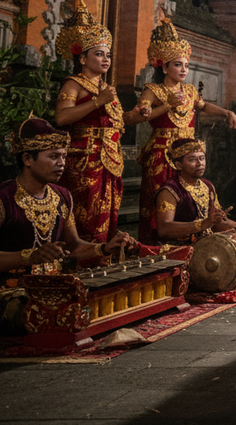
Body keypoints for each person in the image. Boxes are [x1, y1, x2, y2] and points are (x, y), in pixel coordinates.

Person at [1, 117, 135, 333]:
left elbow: (73, 246)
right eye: (53, 157)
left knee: (113, 299)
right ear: (27, 158)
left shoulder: (62, 196)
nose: (62, 163)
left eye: (64, 156)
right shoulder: (4, 199)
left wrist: (104, 248)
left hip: (55, 285)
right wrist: (29, 256)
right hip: (11, 289)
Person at [137, 19, 236, 243]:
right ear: (164, 67)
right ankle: (153, 244)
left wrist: (226, 113)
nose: (184, 70)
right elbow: (141, 114)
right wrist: (167, 105)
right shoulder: (153, 90)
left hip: (188, 155)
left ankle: (192, 239)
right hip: (161, 154)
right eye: (177, 65)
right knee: (159, 200)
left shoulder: (190, 91)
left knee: (188, 198)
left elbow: (203, 107)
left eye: (186, 65)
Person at [54, 0, 148, 242]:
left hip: (110, 159)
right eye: (99, 54)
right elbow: (62, 117)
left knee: (108, 216)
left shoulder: (107, 87)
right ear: (83, 59)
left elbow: (119, 121)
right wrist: (97, 101)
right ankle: (81, 263)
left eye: (107, 55)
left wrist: (139, 115)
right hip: (85, 161)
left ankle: (101, 260)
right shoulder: (73, 83)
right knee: (87, 216)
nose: (106, 59)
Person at [152, 138, 236, 243]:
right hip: (178, 248)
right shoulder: (170, 191)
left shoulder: (207, 186)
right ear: (178, 165)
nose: (200, 163)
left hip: (205, 243)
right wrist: (202, 224)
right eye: (192, 159)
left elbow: (217, 222)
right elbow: (164, 229)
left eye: (202, 158)